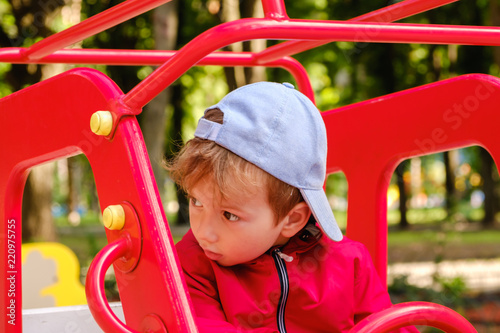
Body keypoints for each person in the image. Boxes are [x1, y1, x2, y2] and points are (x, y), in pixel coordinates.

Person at [167, 82, 418, 332]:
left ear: (292, 220)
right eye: (196, 201)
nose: (204, 232)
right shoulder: (191, 265)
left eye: (229, 215)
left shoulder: (349, 264)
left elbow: (387, 327)